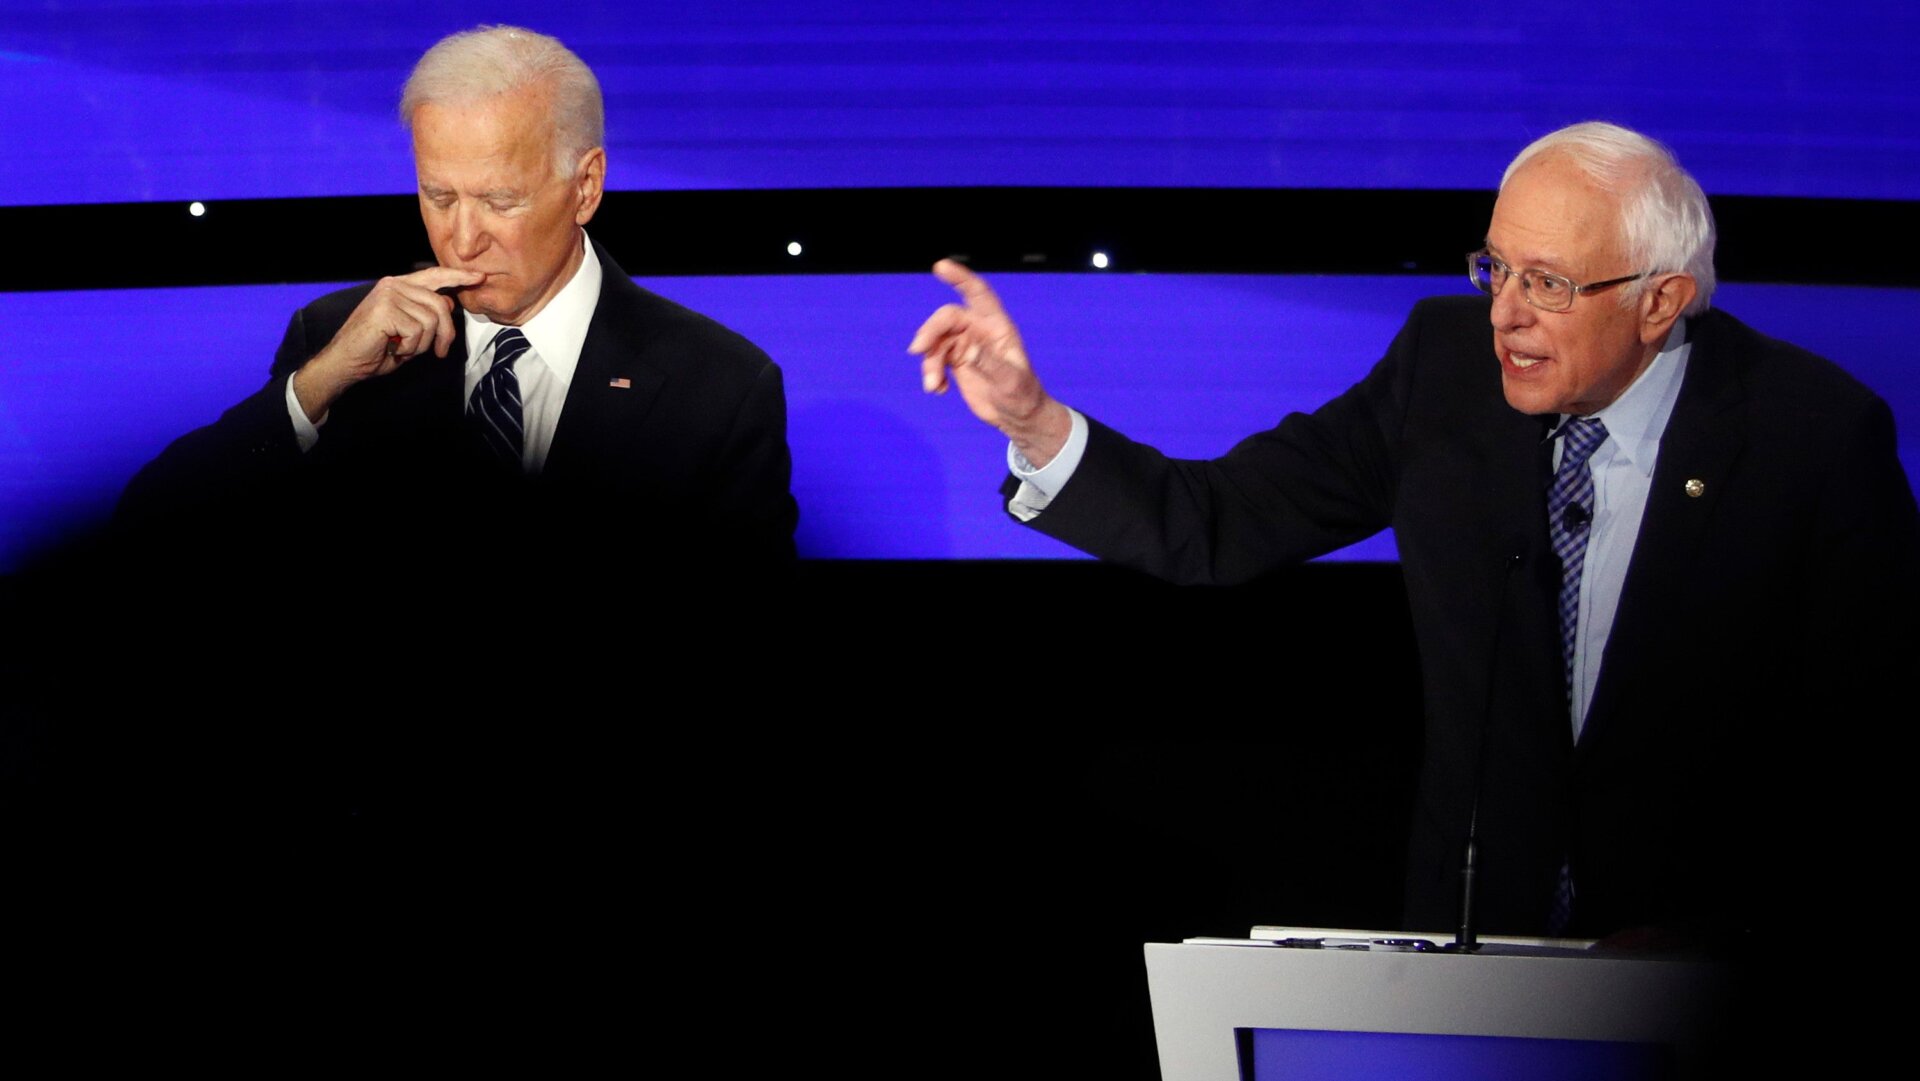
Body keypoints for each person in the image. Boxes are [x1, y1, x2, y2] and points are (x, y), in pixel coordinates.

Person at [910, 121, 1919, 941]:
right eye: (1498, 269)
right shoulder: (1442, 373)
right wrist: (1033, 419)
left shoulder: (1814, 438)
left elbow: (1871, 753)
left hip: (1702, 970)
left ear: (1663, 301)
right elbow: (1216, 520)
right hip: (1473, 946)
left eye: (1550, 284)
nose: (1506, 317)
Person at [119, 25, 797, 583]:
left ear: (585, 186)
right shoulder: (335, 339)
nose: (462, 238)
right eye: (438, 197)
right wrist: (315, 386)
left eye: (499, 201)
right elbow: (150, 529)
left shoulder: (719, 387)